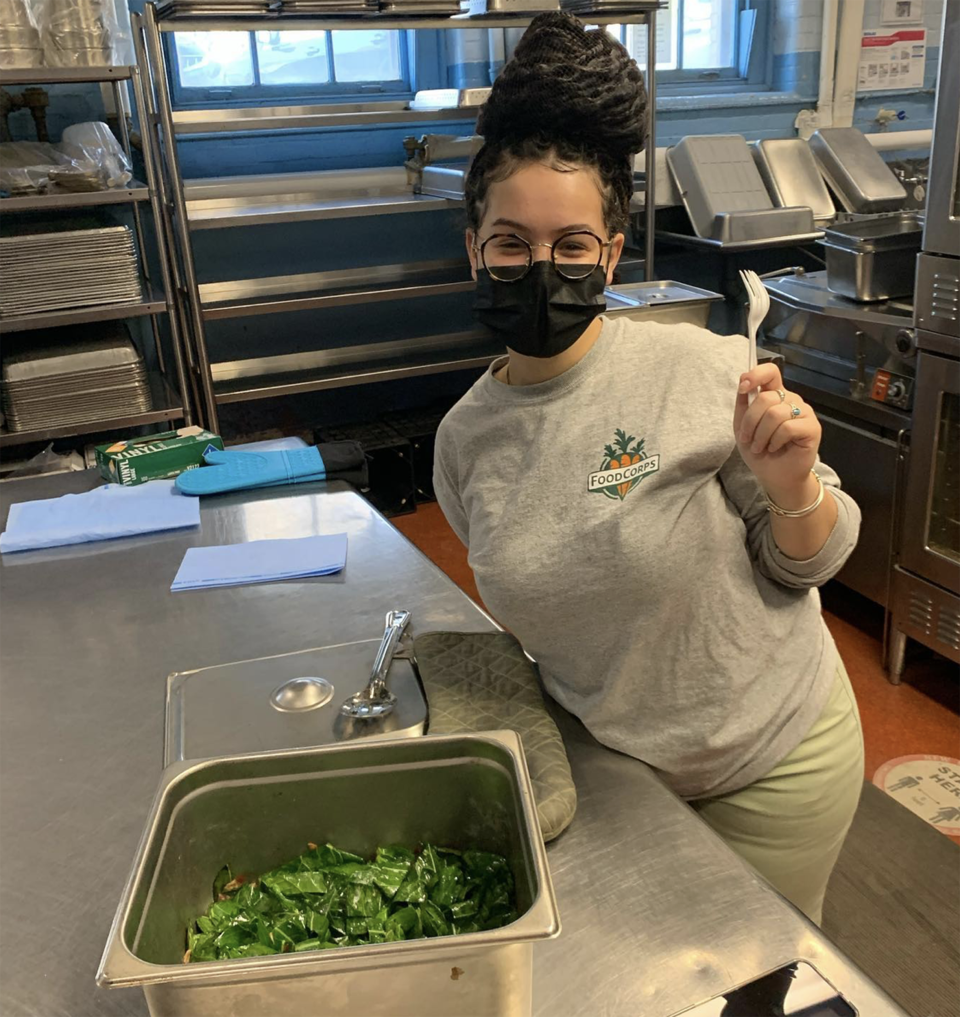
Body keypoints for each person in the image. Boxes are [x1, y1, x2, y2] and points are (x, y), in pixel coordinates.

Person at [433, 13, 864, 926]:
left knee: (766, 977)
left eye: (572, 245)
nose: (539, 266)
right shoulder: (463, 443)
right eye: (510, 243)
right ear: (474, 249)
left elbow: (808, 564)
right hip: (618, 772)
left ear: (611, 255)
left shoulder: (696, 370)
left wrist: (794, 491)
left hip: (775, 761)